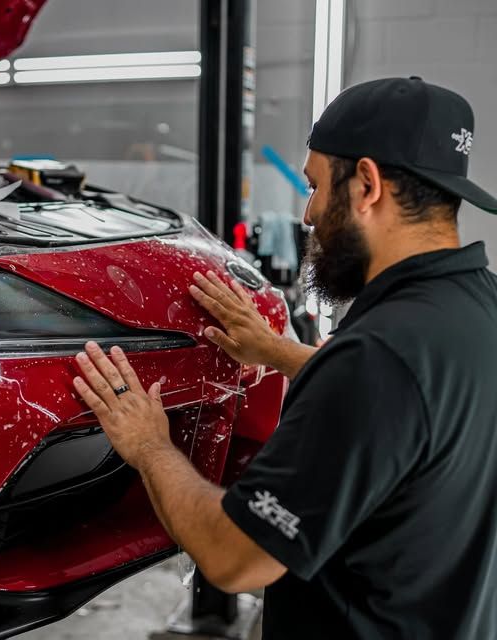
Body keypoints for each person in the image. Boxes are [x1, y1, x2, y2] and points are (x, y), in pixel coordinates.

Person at [72, 77, 497, 639]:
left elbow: (235, 557)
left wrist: (149, 445)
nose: (309, 215)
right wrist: (276, 351)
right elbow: (412, 415)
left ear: (367, 184)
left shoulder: (374, 358)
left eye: (316, 186)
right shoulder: (479, 307)